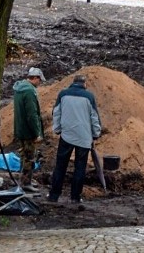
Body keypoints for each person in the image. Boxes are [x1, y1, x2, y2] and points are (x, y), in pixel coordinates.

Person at [47, 75, 101, 203]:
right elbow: (94, 117)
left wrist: (57, 129)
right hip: (84, 138)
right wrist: (96, 134)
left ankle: (54, 195)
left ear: (73, 83)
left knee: (60, 166)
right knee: (80, 167)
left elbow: (56, 113)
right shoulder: (89, 97)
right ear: (84, 84)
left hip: (67, 136)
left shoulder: (63, 94)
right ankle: (75, 197)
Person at [13, 67, 46, 193]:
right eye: (39, 80)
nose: (40, 83)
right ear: (36, 78)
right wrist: (37, 132)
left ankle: (26, 180)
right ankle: (26, 183)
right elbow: (32, 114)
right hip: (28, 131)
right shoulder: (29, 92)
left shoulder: (19, 89)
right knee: (29, 157)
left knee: (24, 156)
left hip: (20, 128)